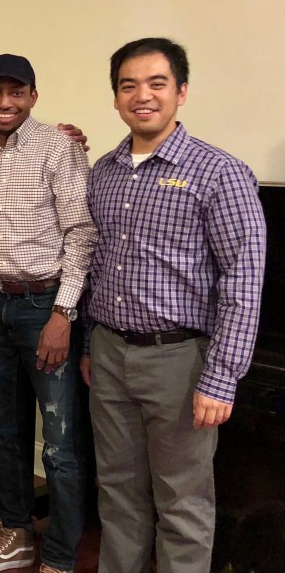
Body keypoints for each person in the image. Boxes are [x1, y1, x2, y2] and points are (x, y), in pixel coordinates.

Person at [82, 38, 266, 573]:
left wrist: (221, 376)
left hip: (180, 361)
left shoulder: (220, 173)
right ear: (116, 97)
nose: (143, 95)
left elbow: (244, 278)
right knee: (116, 494)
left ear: (181, 92)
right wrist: (93, 339)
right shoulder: (105, 171)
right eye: (128, 85)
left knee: (182, 503)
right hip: (110, 354)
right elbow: (98, 260)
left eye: (157, 83)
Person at [0, 54, 96, 573]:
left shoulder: (59, 149)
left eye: (17, 92)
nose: (5, 102)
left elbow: (81, 234)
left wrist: (64, 312)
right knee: (2, 433)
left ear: (33, 96)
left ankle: (60, 553)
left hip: (45, 306)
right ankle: (15, 533)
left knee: (58, 442)